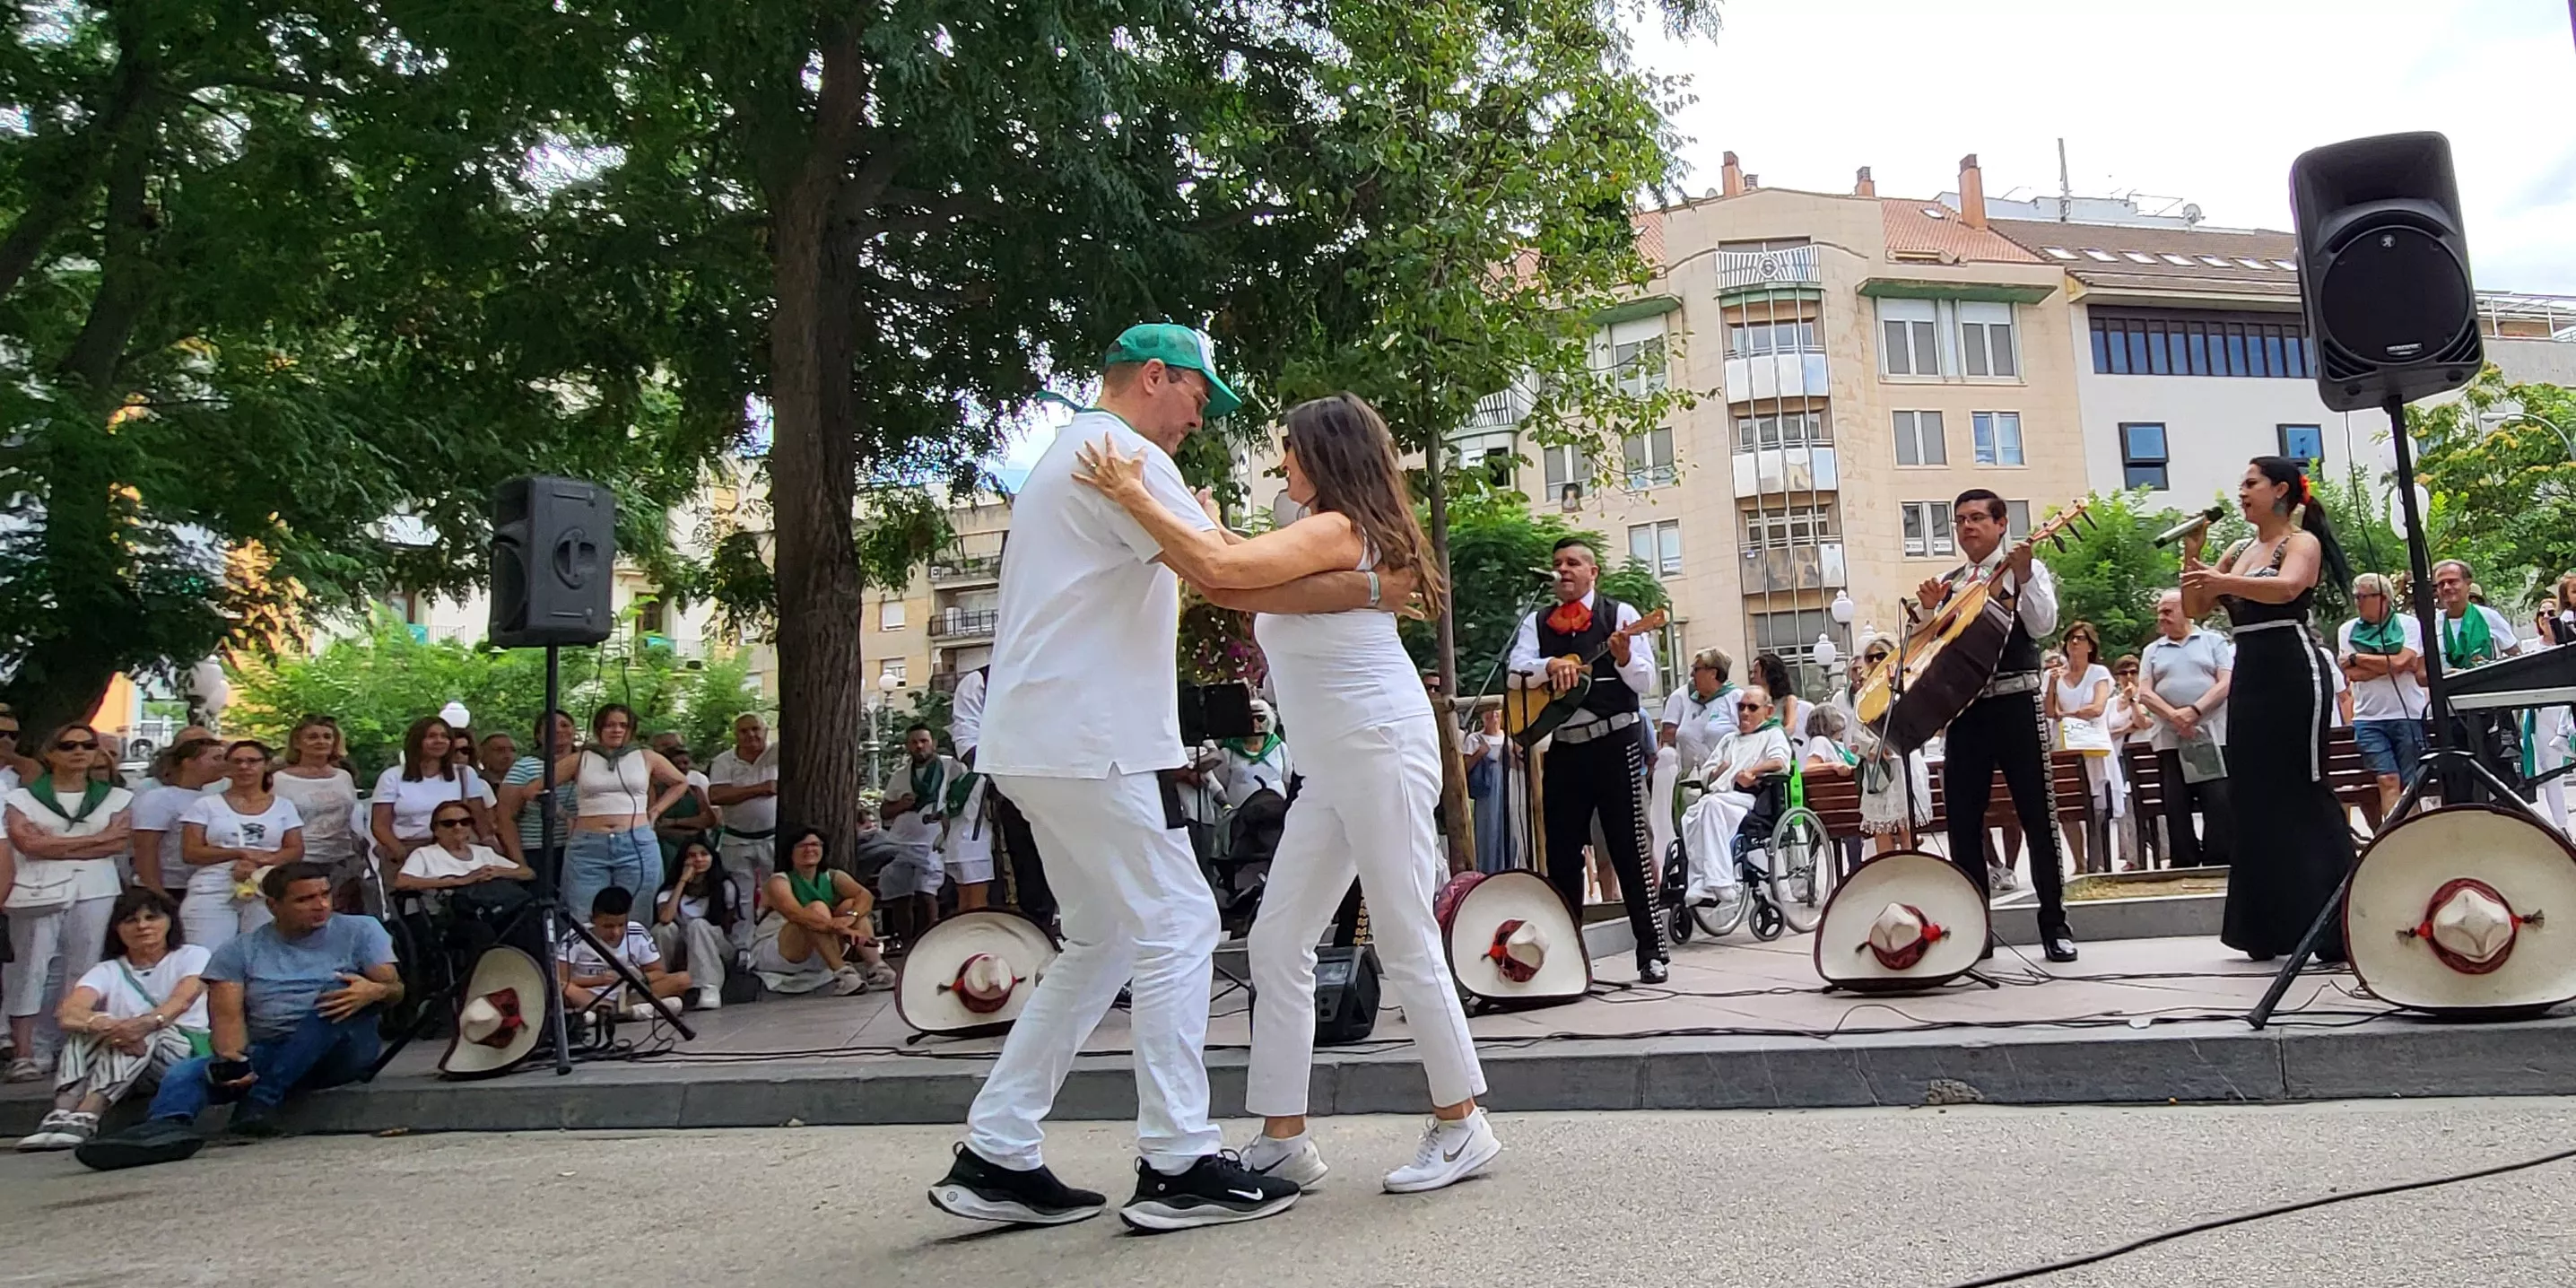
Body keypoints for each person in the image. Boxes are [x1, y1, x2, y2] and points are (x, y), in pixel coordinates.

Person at [929, 326, 1388, 1232]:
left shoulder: (1073, 453)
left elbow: (1204, 549)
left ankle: (996, 1150)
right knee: (1178, 919)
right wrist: (1374, 584)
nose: (1198, 419)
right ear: (1151, 378)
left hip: (1035, 738)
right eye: (1195, 398)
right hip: (1086, 739)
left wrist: (1200, 515)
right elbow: (1227, 572)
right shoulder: (1123, 453)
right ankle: (1179, 1158)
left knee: (1100, 940)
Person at [1071, 389, 1495, 1197]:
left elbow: (1223, 572)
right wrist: (1199, 527)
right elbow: (1230, 574)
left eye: (1292, 450)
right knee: (1276, 945)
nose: (1283, 461)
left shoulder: (1342, 530)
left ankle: (1461, 1120)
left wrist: (1135, 497)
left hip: (1378, 748)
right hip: (1334, 765)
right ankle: (1283, 1139)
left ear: (1328, 456)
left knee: (1406, 937)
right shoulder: (1329, 536)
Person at [73, 863, 400, 1167]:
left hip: (341, 1050)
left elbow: (396, 989)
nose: (320, 906)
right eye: (304, 900)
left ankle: (260, 1099)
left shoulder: (361, 929)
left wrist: (377, 990)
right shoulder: (239, 950)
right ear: (273, 906)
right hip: (273, 1050)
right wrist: (233, 1062)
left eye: (324, 895)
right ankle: (161, 1131)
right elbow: (227, 1019)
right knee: (189, 1072)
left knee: (337, 991)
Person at [2181, 457, 2359, 963]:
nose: (2241, 492)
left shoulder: (2300, 542)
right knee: (2253, 793)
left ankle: (2336, 921)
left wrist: (2221, 582)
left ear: (2280, 490)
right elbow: (2196, 608)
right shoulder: (2237, 549)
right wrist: (2194, 557)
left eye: (2250, 483)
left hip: (2292, 668)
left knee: (2303, 784)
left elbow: (2286, 588)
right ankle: (2264, 926)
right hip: (2251, 672)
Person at [1917, 489, 2077, 962]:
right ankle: (1974, 931)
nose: (1967, 527)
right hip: (1965, 711)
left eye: (1977, 518)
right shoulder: (1951, 582)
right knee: (1963, 823)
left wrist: (2024, 574)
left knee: (2038, 815)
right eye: (1960, 519)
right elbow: (1931, 653)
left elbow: (2043, 625)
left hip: (2017, 702)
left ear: (2001, 523)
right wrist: (1928, 612)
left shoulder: (2025, 570)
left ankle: (2055, 925)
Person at [1510, 536, 1667, 983]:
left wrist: (1620, 659)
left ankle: (1651, 952)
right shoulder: (1537, 621)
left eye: (1573, 563)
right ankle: (1565, 956)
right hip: (1565, 744)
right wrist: (1551, 665)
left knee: (1629, 847)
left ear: (1593, 572)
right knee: (1560, 854)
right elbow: (1515, 669)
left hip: (1616, 741)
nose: (1563, 570)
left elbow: (1644, 680)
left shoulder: (1621, 616)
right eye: (1557, 563)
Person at [17, 887, 208, 1152]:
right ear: (117, 929)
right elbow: (69, 1011)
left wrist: (142, 1024)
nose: (142, 926)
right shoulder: (107, 969)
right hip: (128, 1055)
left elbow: (182, 1000)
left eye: (151, 918)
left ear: (169, 922)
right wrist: (105, 1024)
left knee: (144, 1028)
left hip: (180, 1055)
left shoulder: (193, 956)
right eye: (131, 920)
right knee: (87, 1028)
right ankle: (61, 1113)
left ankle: (89, 1113)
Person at [4, 724, 135, 1081]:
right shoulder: (23, 798)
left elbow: (115, 844)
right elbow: (28, 846)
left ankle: (71, 1043)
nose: (78, 752)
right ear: (50, 754)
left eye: (87, 745)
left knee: (84, 966)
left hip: (96, 886)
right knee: (33, 967)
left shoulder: (115, 797)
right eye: (68, 745)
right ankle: (27, 1051)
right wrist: (92, 839)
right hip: (39, 888)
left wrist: (55, 844)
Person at [549, 705, 691, 923]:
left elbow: (680, 782)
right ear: (599, 729)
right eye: (609, 725)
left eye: (623, 725)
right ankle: (588, 957)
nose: (616, 730)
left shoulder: (645, 756)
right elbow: (535, 789)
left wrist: (655, 811)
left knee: (639, 913)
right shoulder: (582, 758)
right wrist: (565, 815)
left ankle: (634, 957)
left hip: (636, 841)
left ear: (631, 730)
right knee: (583, 915)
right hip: (588, 845)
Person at [2136, 590, 2236, 869]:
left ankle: (2218, 856)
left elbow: (2225, 682)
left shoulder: (2213, 642)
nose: (2162, 617)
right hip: (2171, 737)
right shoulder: (2152, 651)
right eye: (2159, 611)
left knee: (2217, 798)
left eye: (2168, 611)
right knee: (2175, 800)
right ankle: (2184, 859)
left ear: (2186, 611)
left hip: (2210, 733)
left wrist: (2194, 711)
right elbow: (2144, 692)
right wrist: (2174, 716)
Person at [177, 741, 305, 950]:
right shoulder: (205, 805)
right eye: (237, 762)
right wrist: (239, 853)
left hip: (266, 886)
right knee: (207, 955)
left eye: (252, 761)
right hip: (213, 888)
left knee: (263, 953)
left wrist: (261, 861)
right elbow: (190, 852)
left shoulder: (284, 806)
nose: (244, 767)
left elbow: (295, 850)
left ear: (266, 765)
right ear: (227, 767)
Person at [952, 667, 1054, 923]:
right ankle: (1038, 933)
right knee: (1027, 874)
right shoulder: (979, 682)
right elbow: (966, 738)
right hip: (1014, 791)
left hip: (1065, 785)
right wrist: (1003, 776)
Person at [1678, 685, 1793, 909]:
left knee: (1710, 806)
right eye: (1741, 707)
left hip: (1752, 800)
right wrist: (1719, 771)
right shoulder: (1729, 740)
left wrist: (1753, 771)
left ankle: (1719, 881)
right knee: (1692, 815)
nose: (1745, 713)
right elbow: (1705, 773)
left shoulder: (1773, 733)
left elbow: (1779, 761)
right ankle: (1701, 880)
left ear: (1768, 712)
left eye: (1752, 707)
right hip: (1723, 797)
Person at [2428, 558, 2528, 807]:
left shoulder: (2488, 617)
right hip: (2450, 713)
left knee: (2498, 778)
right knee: (2458, 783)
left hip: (2490, 713)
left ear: (2467, 584)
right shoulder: (2431, 624)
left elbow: (2515, 656)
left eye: (2453, 581)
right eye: (2441, 584)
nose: (2447, 588)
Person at [755, 827, 892, 996]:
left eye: (815, 845)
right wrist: (842, 929)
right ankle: (842, 973)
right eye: (802, 846)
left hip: (823, 942)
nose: (809, 850)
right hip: (781, 949)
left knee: (852, 905)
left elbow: (866, 896)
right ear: (790, 851)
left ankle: (877, 969)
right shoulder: (778, 881)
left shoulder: (833, 876)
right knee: (816, 909)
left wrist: (850, 918)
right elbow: (796, 914)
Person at [2339, 572, 2429, 826]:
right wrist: (2392, 664)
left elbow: (2404, 661)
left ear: (2384, 598)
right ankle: (2395, 838)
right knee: (2387, 780)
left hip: (2407, 714)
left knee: (2411, 784)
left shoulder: (2407, 625)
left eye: (2364, 596)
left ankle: (2414, 837)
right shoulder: (2348, 630)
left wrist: (2358, 658)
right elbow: (2353, 675)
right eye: (2356, 596)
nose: (2358, 601)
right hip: (2369, 719)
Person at [369, 717, 500, 888]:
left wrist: (490, 844)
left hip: (456, 849)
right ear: (417, 740)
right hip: (409, 850)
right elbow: (379, 825)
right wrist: (399, 851)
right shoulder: (392, 777)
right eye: (431, 736)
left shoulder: (464, 774)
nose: (439, 741)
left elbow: (479, 817)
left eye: (444, 736)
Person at [879, 724, 965, 935]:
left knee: (926, 891)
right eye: (914, 742)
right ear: (907, 746)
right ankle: (907, 942)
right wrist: (901, 805)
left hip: (932, 842)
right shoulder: (900, 775)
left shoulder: (950, 768)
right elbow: (885, 811)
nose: (919, 746)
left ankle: (928, 940)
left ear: (933, 744)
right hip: (900, 842)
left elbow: (965, 792)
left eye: (924, 741)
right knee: (900, 895)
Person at [558, 885, 691, 1022]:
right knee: (565, 989)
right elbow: (561, 980)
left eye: (621, 925)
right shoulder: (575, 937)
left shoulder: (637, 932)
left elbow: (658, 972)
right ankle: (627, 1012)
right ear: (593, 920)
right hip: (591, 993)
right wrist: (597, 980)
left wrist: (638, 978)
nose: (616, 932)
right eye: (608, 926)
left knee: (683, 980)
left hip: (629, 993)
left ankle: (606, 1014)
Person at [1849, 639, 1933, 856]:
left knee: (1907, 826)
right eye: (1871, 657)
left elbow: (1918, 725)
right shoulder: (1863, 695)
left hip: (1903, 764)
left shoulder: (1905, 686)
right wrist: (1872, 748)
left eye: (1881, 655)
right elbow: (1854, 735)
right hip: (1877, 768)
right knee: (1881, 829)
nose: (1876, 660)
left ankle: (1913, 872)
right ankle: (1889, 876)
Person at [2046, 622, 2117, 876]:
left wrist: (2068, 714)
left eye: (2080, 639)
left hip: (2092, 744)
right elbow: (2049, 711)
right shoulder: (2056, 675)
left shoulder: (2098, 673)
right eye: (2070, 639)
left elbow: (2097, 708)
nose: (2074, 643)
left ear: (2090, 645)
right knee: (2068, 806)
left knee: (2097, 805)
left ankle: (2098, 857)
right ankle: (2079, 860)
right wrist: (2053, 685)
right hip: (2065, 745)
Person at [703, 713, 779, 934]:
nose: (751, 735)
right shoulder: (724, 761)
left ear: (765, 730)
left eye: (755, 729)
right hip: (737, 838)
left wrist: (740, 793)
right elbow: (716, 795)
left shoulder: (777, 754)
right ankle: (742, 945)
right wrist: (761, 788)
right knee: (739, 896)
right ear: (736, 735)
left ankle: (771, 939)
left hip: (772, 837)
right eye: (744, 731)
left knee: (775, 891)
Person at [272, 716, 361, 904]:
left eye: (327, 737)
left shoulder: (344, 777)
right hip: (301, 862)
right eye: (312, 737)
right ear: (297, 742)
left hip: (343, 860)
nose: (321, 742)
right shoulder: (279, 780)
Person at [654, 838, 740, 1011]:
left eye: (704, 854)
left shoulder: (725, 887)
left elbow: (729, 927)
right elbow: (665, 918)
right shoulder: (669, 891)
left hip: (716, 948)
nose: (698, 860)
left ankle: (708, 987)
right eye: (692, 856)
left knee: (698, 925)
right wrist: (683, 881)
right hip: (682, 949)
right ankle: (664, 984)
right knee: (663, 930)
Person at [130, 737, 224, 893]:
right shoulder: (160, 798)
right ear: (188, 762)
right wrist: (156, 890)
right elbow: (145, 847)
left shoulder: (212, 797)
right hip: (168, 887)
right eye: (216, 759)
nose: (223, 764)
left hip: (200, 886)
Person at [499, 709, 579, 886]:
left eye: (565, 725)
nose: (559, 730)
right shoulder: (524, 767)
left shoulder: (588, 764)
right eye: (551, 727)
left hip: (580, 849)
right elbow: (506, 818)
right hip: (537, 850)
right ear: (538, 736)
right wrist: (520, 863)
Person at [2105, 655, 2158, 869]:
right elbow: (2106, 731)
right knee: (2125, 808)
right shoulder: (2110, 703)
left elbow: (2144, 723)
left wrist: (2134, 701)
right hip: (2119, 758)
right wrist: (2127, 728)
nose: (2128, 677)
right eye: (2123, 673)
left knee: (2152, 805)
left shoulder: (2148, 697)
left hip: (2144, 755)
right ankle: (2132, 856)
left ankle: (2162, 850)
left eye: (2133, 672)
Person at [1658, 648, 1736, 774]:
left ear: (1713, 673)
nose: (1691, 675)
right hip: (1689, 781)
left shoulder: (1736, 699)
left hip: (1724, 782)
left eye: (1696, 669)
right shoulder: (1691, 701)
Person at [1462, 705, 1521, 875]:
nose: (1493, 715)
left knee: (1511, 832)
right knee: (1488, 831)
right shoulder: (1474, 739)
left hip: (1509, 790)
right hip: (1487, 795)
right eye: (1489, 711)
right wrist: (1480, 753)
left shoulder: (1510, 739)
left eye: (1497, 711)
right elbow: (1463, 769)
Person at [651, 740, 719, 880]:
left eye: (686, 763)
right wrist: (691, 826)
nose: (683, 767)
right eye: (678, 764)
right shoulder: (654, 790)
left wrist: (673, 822)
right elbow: (655, 826)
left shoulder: (695, 790)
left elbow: (709, 820)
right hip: (666, 848)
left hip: (694, 845)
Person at [1752, 652, 1813, 740]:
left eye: (1756, 672)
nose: (1752, 676)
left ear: (1768, 674)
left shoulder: (1788, 700)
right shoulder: (1756, 702)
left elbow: (1790, 727)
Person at [475, 732, 518, 796]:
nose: (508, 755)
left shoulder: (524, 785)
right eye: (500, 750)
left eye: (512, 750)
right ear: (483, 755)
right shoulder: (474, 785)